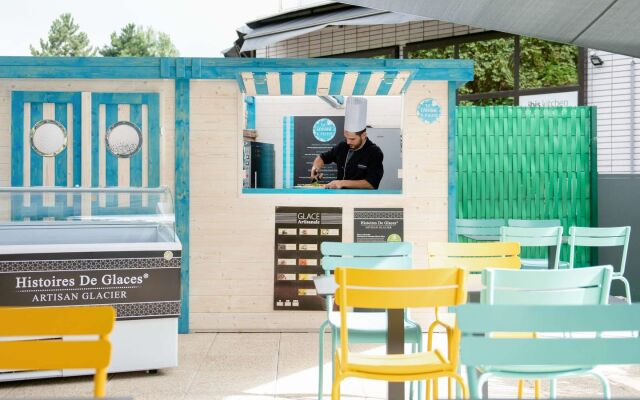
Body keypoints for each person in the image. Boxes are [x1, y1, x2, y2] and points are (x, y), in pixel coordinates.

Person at [310, 97, 384, 189]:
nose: (348, 142)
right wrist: (315, 168)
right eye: (346, 138)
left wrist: (341, 183)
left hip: (361, 200)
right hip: (340, 198)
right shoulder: (342, 146)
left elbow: (371, 183)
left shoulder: (374, 152)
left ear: (363, 135)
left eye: (352, 139)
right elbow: (322, 157)